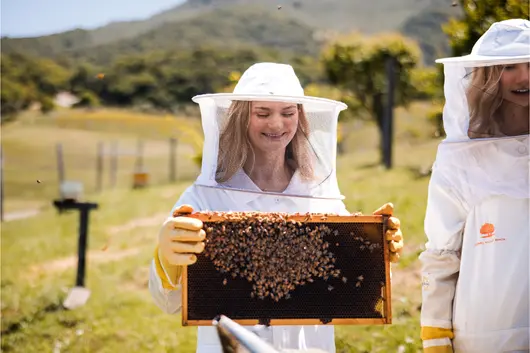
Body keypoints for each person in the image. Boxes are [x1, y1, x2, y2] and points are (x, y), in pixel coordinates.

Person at [148, 62, 405, 353]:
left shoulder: (319, 194)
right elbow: (166, 302)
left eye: (287, 113)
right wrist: (166, 259)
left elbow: (356, 292)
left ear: (300, 117)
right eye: (263, 113)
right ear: (242, 118)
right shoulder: (204, 197)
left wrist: (377, 256)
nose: (276, 124)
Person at [419, 19, 529, 353]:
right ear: (486, 76)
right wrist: (436, 334)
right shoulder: (460, 157)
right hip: (486, 333)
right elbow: (442, 251)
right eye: (508, 67)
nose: (523, 77)